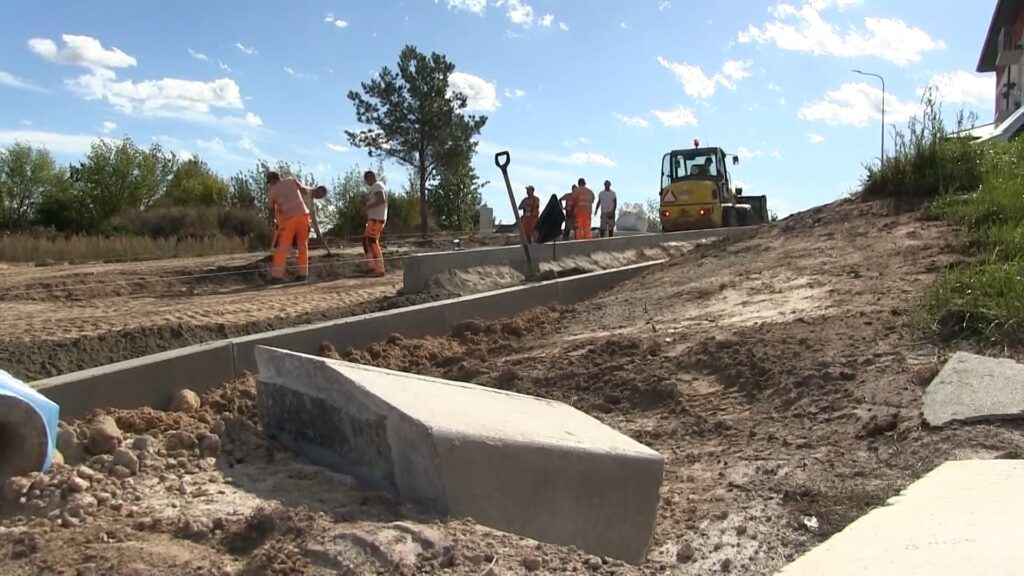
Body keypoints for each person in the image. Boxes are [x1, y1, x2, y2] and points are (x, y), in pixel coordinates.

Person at [267, 171, 312, 284]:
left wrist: (275, 219)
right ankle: (303, 275)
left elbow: (271, 208)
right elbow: (304, 190)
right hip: (304, 216)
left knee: (281, 248)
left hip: (289, 219)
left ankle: (277, 276)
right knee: (303, 246)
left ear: (272, 181)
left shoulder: (272, 191)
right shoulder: (291, 180)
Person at [362, 170, 388, 276]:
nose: (367, 183)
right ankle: (372, 266)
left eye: (366, 180)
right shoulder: (378, 186)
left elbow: (381, 200)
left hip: (376, 219)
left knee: (372, 241)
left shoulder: (377, 185)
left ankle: (379, 269)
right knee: (366, 241)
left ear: (370, 177)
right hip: (374, 218)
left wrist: (367, 207)